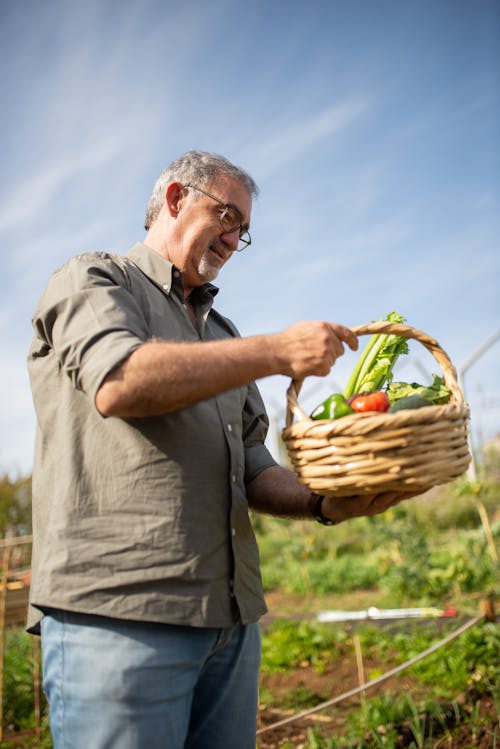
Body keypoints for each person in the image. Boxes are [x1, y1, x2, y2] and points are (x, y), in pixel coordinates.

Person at [27, 150, 413, 749]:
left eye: (244, 231)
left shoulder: (222, 333)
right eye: (227, 216)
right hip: (120, 616)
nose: (235, 239)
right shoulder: (94, 279)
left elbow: (255, 466)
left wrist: (325, 502)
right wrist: (277, 350)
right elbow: (121, 381)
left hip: (230, 623)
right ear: (176, 198)